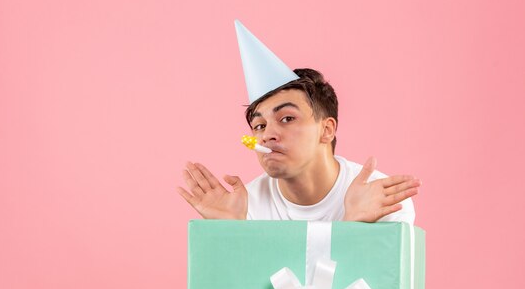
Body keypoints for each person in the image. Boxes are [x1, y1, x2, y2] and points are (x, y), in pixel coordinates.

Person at [177, 22, 420, 223]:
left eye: (287, 119)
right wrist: (234, 233)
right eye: (259, 126)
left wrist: (355, 225)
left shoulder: (381, 198)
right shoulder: (243, 209)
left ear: (327, 129)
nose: (267, 135)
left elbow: (377, 281)